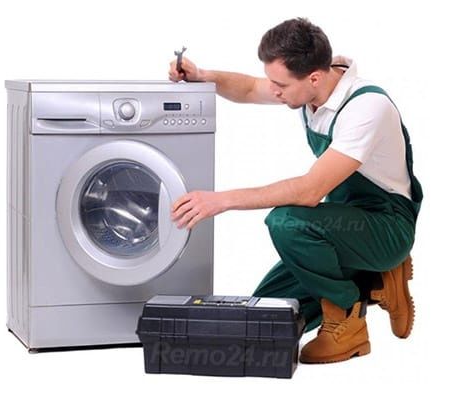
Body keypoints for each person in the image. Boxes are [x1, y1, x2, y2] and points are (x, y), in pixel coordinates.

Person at [168, 17, 423, 364]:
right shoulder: (311, 86)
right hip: (341, 226)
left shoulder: (366, 107)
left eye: (280, 85)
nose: (274, 91)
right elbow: (248, 89)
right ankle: (375, 280)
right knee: (267, 311)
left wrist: (221, 200)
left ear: (314, 77)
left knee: (286, 222)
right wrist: (203, 76)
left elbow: (308, 191)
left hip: (386, 225)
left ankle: (348, 318)